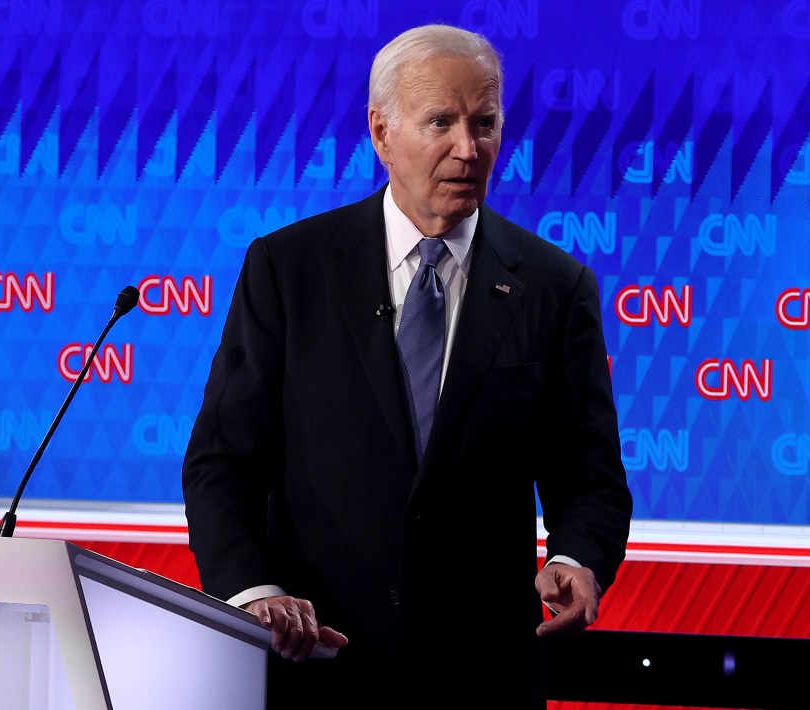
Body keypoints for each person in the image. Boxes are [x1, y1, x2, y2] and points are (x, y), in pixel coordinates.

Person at [182, 23, 633, 708]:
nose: (467, 148)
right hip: (319, 664)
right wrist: (256, 594)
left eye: (484, 123)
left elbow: (590, 477)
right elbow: (223, 461)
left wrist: (575, 558)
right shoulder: (289, 269)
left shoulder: (554, 286)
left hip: (483, 675)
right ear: (381, 132)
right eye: (441, 122)